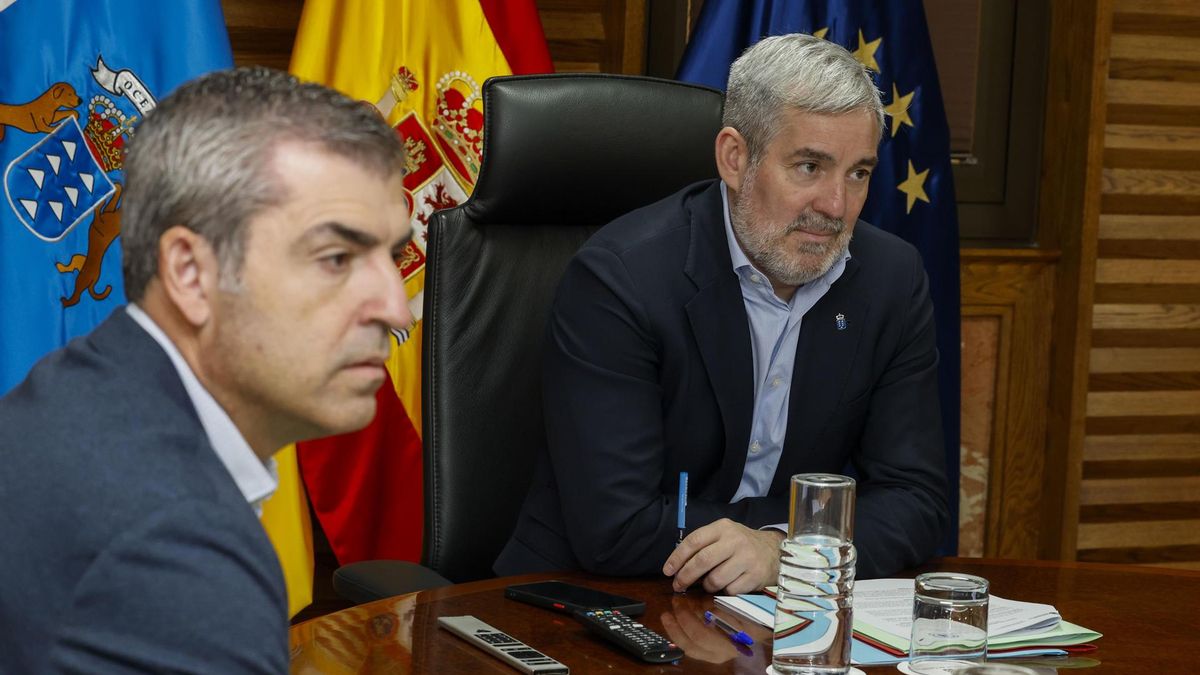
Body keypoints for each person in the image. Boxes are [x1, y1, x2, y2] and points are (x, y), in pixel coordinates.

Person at [494, 33, 950, 593]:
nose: (836, 205)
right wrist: (790, 543)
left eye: (858, 173)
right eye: (810, 166)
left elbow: (918, 502)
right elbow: (616, 529)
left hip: (767, 613)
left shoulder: (890, 279)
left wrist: (784, 550)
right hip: (584, 599)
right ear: (735, 158)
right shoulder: (619, 279)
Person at [0, 67, 412, 672]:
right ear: (191, 275)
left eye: (395, 255)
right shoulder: (177, 548)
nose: (396, 307)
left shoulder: (86, 393)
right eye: (337, 258)